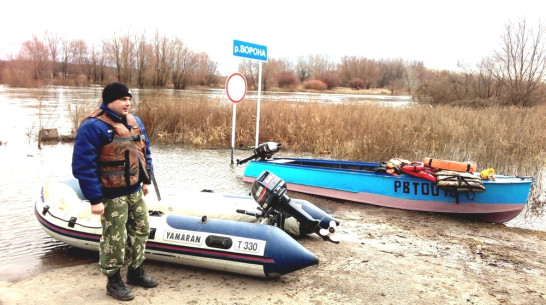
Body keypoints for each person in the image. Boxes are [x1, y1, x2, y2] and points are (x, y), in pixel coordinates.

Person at [72, 82, 158, 301]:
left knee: (141, 229)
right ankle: (113, 280)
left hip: (135, 189)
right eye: (123, 99)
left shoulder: (135, 121)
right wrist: (94, 199)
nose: (127, 103)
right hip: (111, 194)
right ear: (109, 100)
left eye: (129, 99)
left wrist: (146, 180)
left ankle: (135, 271)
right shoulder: (92, 126)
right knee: (115, 237)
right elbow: (84, 165)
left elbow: (144, 152)